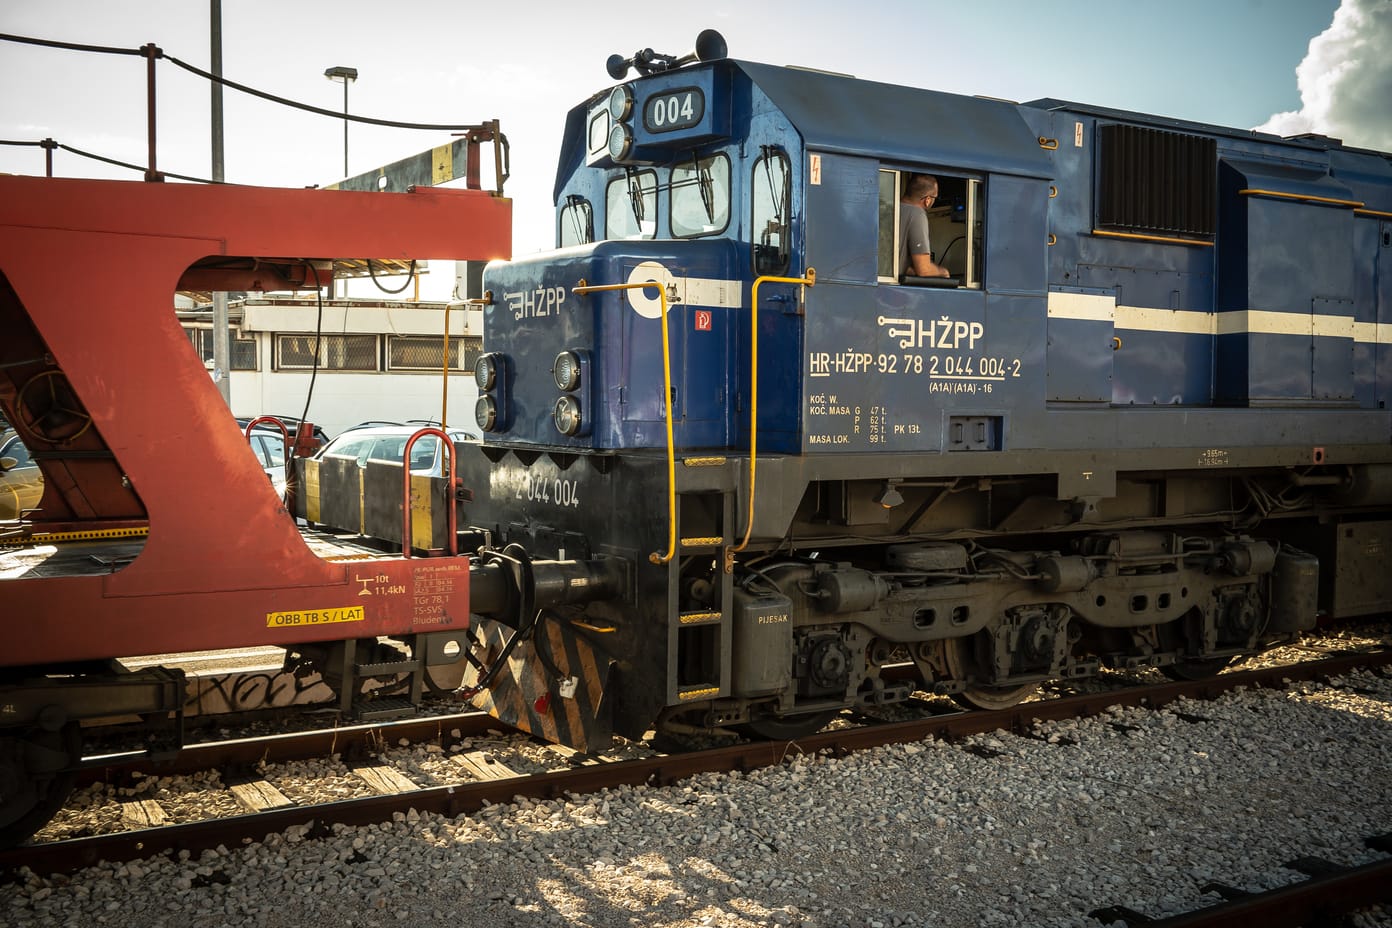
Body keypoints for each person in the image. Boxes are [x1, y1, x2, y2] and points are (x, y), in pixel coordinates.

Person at [899, 174, 951, 279]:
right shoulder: (917, 214)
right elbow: (924, 269)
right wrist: (944, 272)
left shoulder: (890, 208)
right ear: (927, 200)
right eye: (935, 198)